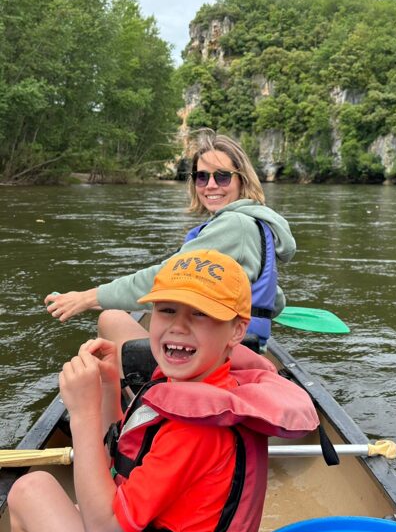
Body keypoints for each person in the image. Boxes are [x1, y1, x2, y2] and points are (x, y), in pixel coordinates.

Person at [8, 249, 319, 532]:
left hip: (115, 529)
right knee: (38, 494)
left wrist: (82, 414)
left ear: (237, 331)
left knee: (31, 490)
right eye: (167, 310)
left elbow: (105, 531)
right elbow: (120, 460)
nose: (178, 326)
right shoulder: (190, 386)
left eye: (200, 314)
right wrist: (108, 387)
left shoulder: (195, 429)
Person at [44, 130, 295, 377]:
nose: (210, 185)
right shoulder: (258, 225)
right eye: (201, 177)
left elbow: (163, 277)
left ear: (242, 180)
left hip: (225, 356)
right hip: (250, 348)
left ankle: (132, 405)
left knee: (111, 319)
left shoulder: (234, 226)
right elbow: (276, 301)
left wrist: (87, 298)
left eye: (222, 177)